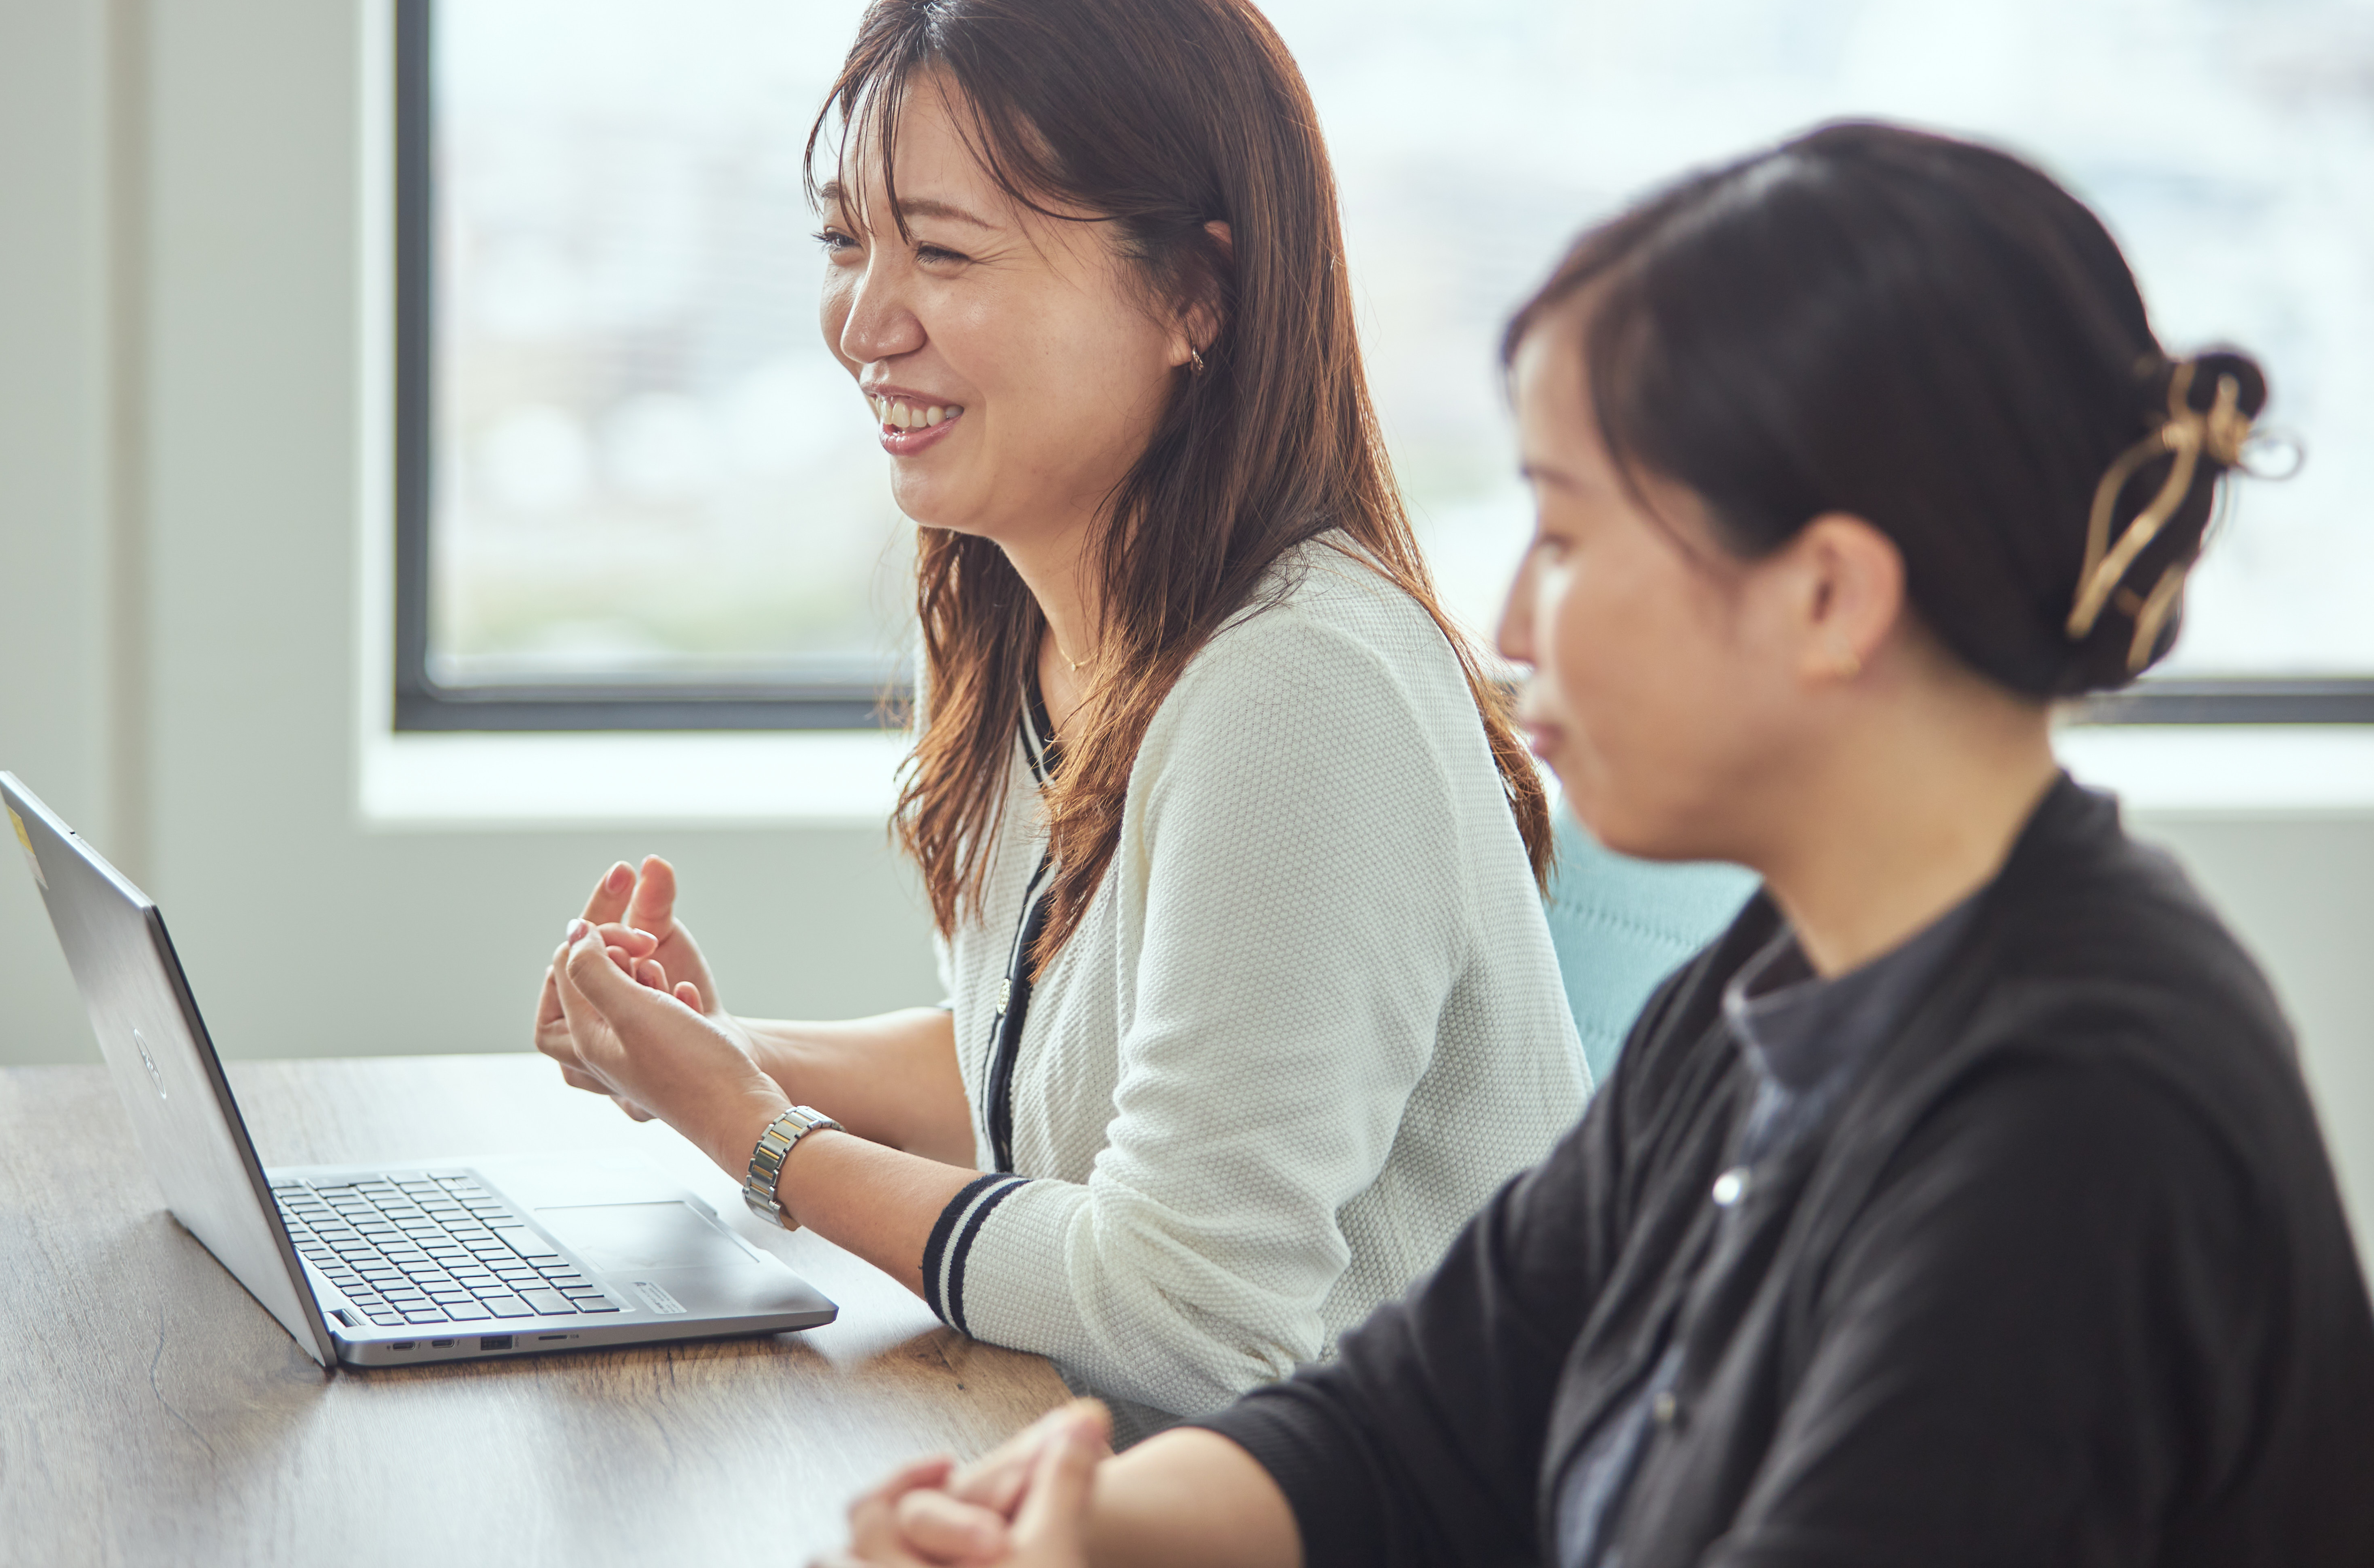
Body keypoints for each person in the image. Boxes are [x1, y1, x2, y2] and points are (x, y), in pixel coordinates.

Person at [826, 122, 2374, 1566]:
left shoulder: (2077, 1126)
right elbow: (1417, 1418)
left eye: (1567, 539)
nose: (1508, 626)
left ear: (1829, 598)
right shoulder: (1776, 990)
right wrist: (1096, 1521)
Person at [532, 0, 1591, 1437]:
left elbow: (1187, 1319)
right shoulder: (1028, 619)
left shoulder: (1303, 690)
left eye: (944, 252)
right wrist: (709, 1056)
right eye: (848, 242)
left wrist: (761, 1138)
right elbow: (1068, 1087)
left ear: (1193, 298)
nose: (862, 322)